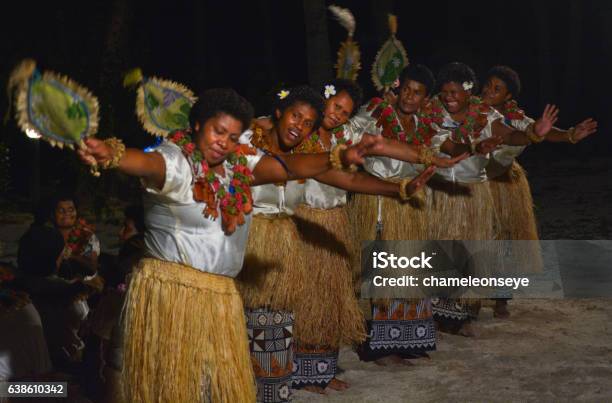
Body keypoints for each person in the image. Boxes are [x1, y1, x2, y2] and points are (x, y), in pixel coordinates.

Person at [76, 87, 375, 402]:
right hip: (171, 294)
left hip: (220, 297)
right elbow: (148, 164)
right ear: (196, 126)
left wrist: (336, 156)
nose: (225, 142)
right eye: (218, 131)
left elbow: (283, 167)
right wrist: (114, 156)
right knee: (172, 388)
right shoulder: (175, 161)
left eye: (233, 137)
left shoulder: (237, 165)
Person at [429, 62, 554, 336]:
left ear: (468, 93)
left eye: (455, 92)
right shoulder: (432, 112)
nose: (449, 97)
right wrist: (473, 146)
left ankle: (462, 317)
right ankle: (435, 316)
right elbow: (447, 146)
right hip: (438, 192)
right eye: (445, 91)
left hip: (474, 194)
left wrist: (534, 133)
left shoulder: (485, 115)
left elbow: (509, 134)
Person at [480, 65, 597, 317]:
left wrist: (569, 135)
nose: (489, 90)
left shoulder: (518, 119)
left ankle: (501, 298)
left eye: (497, 89)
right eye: (488, 84)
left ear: (509, 97)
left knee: (503, 241)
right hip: (472, 184)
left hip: (503, 184)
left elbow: (541, 132)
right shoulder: (471, 112)